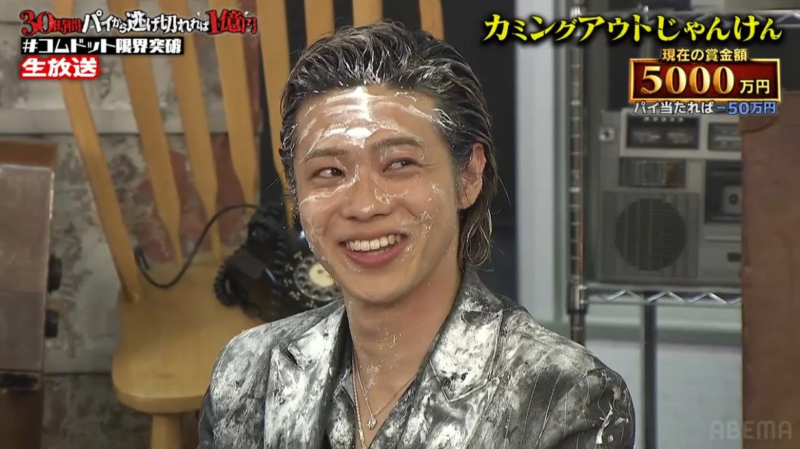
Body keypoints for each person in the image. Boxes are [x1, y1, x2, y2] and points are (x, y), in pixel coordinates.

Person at [198, 22, 634, 449]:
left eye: (399, 164)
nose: (364, 205)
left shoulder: (565, 398)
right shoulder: (247, 372)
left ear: (469, 175)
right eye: (329, 172)